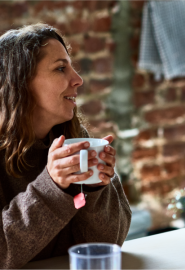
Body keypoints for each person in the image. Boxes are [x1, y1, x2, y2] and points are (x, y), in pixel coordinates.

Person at [0, 24, 131, 269]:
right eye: (61, 68)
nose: (78, 80)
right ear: (20, 83)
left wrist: (94, 189)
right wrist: (52, 186)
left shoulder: (73, 139)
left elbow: (108, 245)